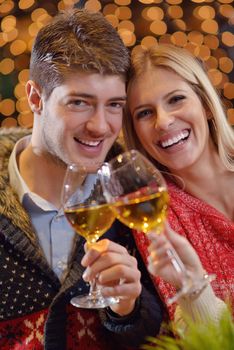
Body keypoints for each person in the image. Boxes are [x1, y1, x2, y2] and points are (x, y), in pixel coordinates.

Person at [0, 10, 164, 350]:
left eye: (114, 105)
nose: (101, 126)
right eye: (79, 103)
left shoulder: (136, 196)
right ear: (35, 98)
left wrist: (127, 308)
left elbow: (155, 334)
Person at [123, 44, 234, 327]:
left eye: (176, 99)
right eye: (145, 113)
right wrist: (195, 287)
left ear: (207, 105)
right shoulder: (154, 215)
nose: (164, 121)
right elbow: (200, 341)